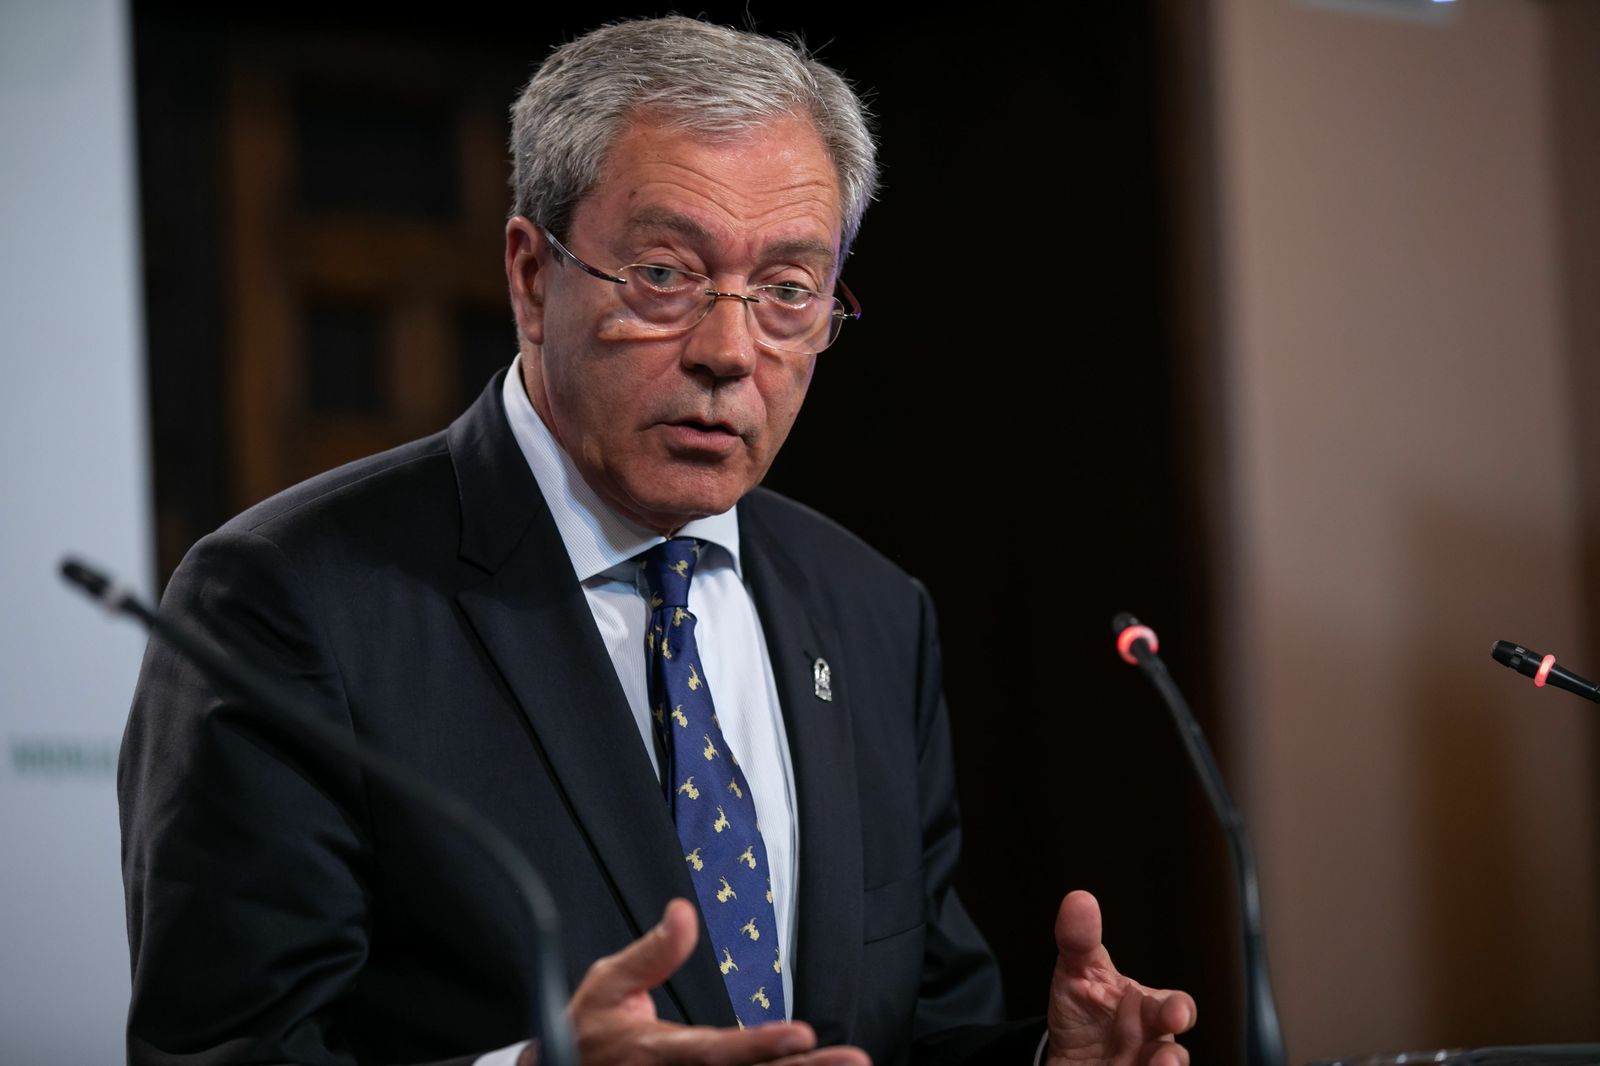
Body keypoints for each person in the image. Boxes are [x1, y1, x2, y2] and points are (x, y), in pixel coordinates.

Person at [119, 16, 1195, 1066]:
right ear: (532, 277)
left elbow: (911, 1027)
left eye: (785, 292)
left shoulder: (869, 611)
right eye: (666, 276)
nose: (730, 351)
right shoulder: (290, 599)